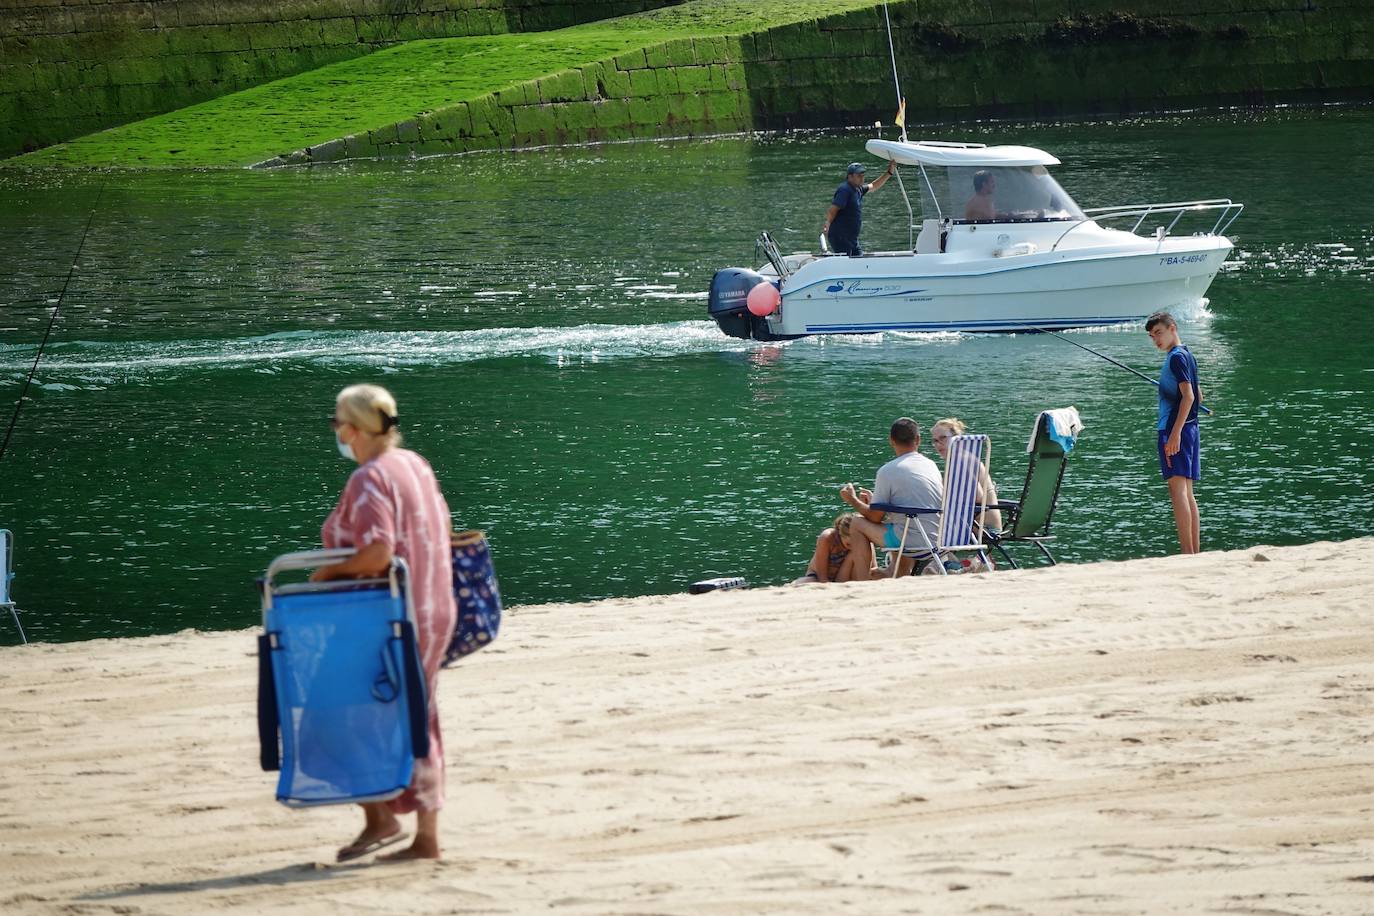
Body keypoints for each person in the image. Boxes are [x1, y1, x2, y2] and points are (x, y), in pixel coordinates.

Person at [312, 384, 457, 861]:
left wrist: (329, 572)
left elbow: (377, 551)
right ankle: (426, 838)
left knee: (335, 711)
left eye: (336, 424)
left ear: (353, 430)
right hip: (433, 606)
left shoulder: (370, 478)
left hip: (391, 616)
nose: (335, 432)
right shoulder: (414, 463)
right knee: (420, 716)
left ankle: (381, 817)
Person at [838, 417, 943, 580]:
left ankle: (862, 582)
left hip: (915, 541)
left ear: (891, 441)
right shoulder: (931, 465)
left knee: (857, 523)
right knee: (899, 523)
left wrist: (852, 499)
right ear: (918, 440)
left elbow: (875, 517)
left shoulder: (888, 471)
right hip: (939, 537)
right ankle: (898, 575)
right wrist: (877, 504)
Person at [1146, 312, 1203, 554]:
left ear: (1173, 328)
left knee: (1177, 491)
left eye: (1159, 332)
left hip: (1174, 428)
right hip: (1191, 428)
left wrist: (1175, 434)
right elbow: (1198, 396)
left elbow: (1189, 396)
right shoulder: (1187, 354)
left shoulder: (1176, 358)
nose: (1156, 339)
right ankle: (1193, 553)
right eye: (1151, 336)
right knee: (1187, 492)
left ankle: (1186, 554)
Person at [930, 418, 1003, 534]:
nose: (938, 444)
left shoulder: (961, 460)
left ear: (957, 438)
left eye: (943, 438)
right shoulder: (965, 457)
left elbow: (977, 496)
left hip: (982, 528)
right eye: (935, 440)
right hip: (989, 525)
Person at [821, 160, 895, 256]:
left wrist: (889, 172)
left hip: (852, 239)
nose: (862, 178)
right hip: (841, 237)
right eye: (859, 176)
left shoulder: (858, 189)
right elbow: (833, 210)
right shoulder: (845, 190)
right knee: (846, 265)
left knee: (860, 260)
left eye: (863, 175)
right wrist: (827, 224)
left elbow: (874, 186)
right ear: (850, 176)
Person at [795, 512, 860, 584]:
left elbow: (870, 568)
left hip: (842, 576)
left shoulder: (862, 542)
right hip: (817, 576)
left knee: (853, 554)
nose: (853, 543)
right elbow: (822, 577)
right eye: (848, 537)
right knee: (801, 583)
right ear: (840, 533)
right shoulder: (827, 538)